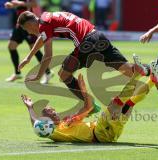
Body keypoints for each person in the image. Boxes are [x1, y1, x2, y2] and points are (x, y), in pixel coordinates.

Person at [21, 64, 158, 143]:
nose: (53, 110)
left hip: (107, 132)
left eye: (51, 109)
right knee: (115, 103)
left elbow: (88, 107)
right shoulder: (55, 132)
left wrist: (83, 91)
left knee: (129, 103)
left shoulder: (66, 121)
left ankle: (153, 80)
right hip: (99, 133)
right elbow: (37, 125)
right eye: (49, 111)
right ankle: (138, 75)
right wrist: (30, 108)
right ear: (46, 120)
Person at [17, 11, 150, 100]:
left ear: (29, 24)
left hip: (86, 43)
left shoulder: (44, 25)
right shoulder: (47, 17)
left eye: (26, 29)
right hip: (98, 36)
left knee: (64, 74)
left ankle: (89, 105)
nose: (28, 32)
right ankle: (151, 69)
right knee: (127, 70)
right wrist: (29, 57)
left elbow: (48, 55)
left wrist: (39, 75)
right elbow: (42, 37)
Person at [4, 0, 53, 84]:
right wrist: (11, 5)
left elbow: (34, 4)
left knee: (34, 48)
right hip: (19, 25)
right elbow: (16, 5)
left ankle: (48, 72)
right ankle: (17, 73)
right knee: (11, 46)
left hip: (29, 24)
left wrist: (18, 3)